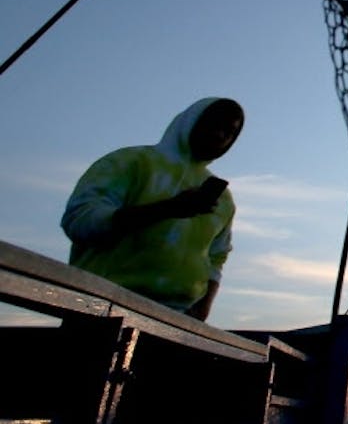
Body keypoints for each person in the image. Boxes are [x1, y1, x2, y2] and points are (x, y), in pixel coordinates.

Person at [61, 97, 244, 321]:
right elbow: (79, 221)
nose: (220, 135)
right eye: (213, 124)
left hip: (177, 321)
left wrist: (202, 309)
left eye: (229, 131)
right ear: (191, 120)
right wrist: (167, 209)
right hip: (100, 306)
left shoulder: (223, 200)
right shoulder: (130, 162)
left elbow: (217, 257)